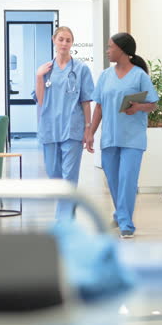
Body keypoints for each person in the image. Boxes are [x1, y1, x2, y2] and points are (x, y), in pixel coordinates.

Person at [86, 33, 159, 239]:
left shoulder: (139, 76)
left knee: (127, 180)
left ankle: (126, 223)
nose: (107, 51)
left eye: (110, 47)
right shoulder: (105, 76)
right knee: (114, 181)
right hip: (110, 137)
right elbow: (99, 107)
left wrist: (138, 107)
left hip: (133, 138)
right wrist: (90, 133)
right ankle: (120, 214)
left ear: (122, 50)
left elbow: (153, 104)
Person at [34, 26, 95, 220]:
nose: (64, 43)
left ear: (72, 43)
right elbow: (41, 100)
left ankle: (64, 218)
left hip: (72, 128)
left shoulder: (81, 69)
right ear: (54, 40)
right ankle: (69, 204)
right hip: (50, 128)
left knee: (69, 176)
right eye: (61, 39)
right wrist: (38, 76)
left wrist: (88, 128)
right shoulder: (45, 70)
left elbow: (86, 101)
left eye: (68, 40)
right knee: (54, 174)